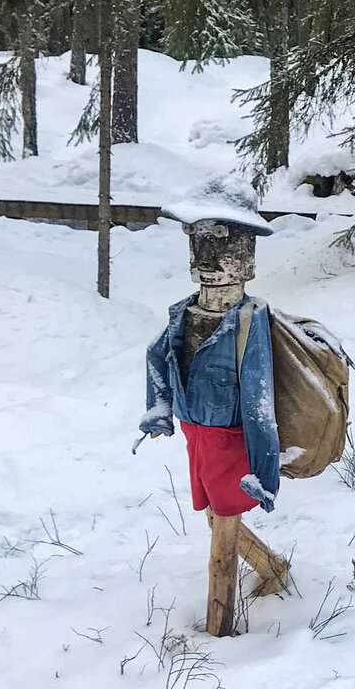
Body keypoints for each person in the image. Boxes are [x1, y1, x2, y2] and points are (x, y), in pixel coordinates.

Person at [137, 175, 287, 635]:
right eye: (196, 242)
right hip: (194, 432)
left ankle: (219, 626)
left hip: (231, 439)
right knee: (212, 512)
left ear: (247, 255)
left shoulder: (248, 321)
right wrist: (160, 408)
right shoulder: (184, 311)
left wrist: (264, 473)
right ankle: (272, 567)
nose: (205, 259)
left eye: (220, 244)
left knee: (222, 522)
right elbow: (157, 355)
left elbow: (259, 402)